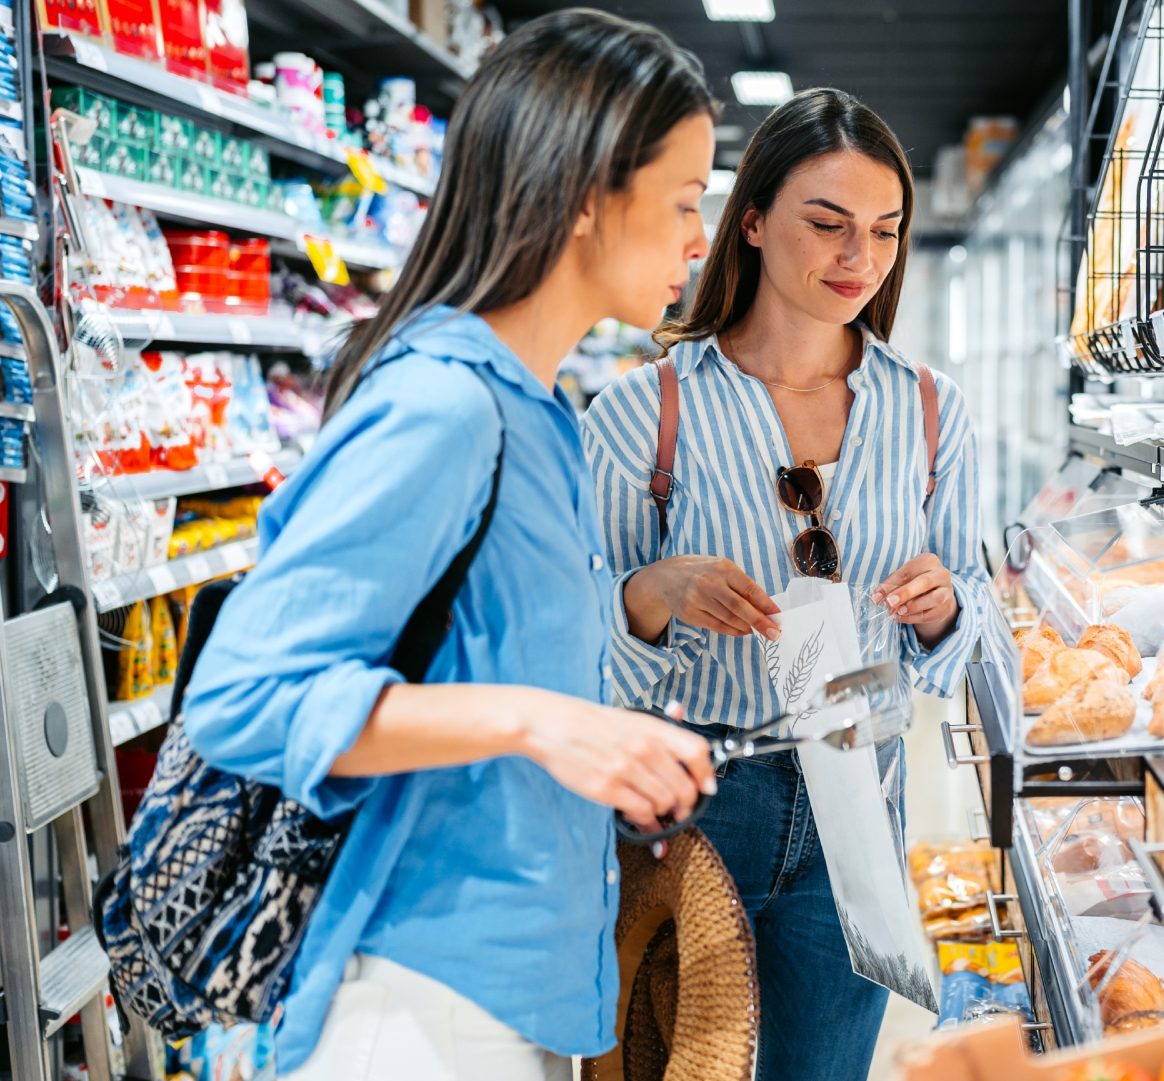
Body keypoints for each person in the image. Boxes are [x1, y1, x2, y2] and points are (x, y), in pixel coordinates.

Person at [180, 11, 719, 1079]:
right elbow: (242, 696)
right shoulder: (444, 409)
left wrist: (602, 746)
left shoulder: (536, 412)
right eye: (686, 203)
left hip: (500, 996)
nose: (699, 240)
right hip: (413, 1012)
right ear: (583, 197)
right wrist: (537, 724)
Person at [583, 87, 989, 1080]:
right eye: (829, 222)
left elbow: (976, 625)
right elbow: (570, 654)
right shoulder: (645, 414)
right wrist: (653, 592)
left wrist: (947, 612)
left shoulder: (933, 414)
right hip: (696, 804)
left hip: (861, 795)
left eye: (886, 231)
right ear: (752, 220)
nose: (861, 257)